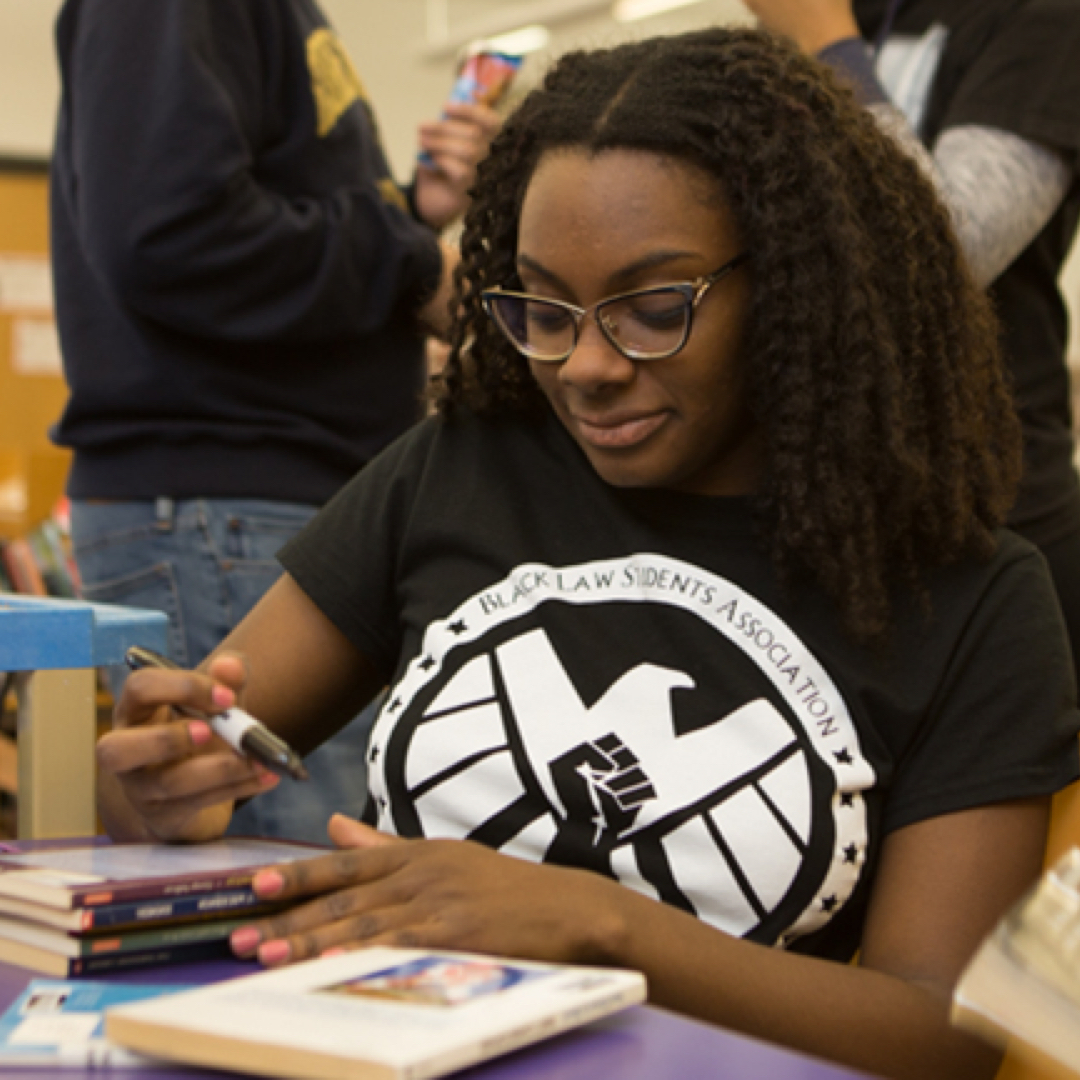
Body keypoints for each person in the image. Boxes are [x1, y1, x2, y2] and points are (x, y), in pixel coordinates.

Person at [96, 28, 1080, 1080]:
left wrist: (602, 925)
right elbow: (191, 762)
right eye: (543, 308)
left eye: (655, 309)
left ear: (798, 288)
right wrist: (160, 786)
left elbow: (942, 1035)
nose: (587, 367)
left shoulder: (975, 596)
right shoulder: (460, 466)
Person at [48, 0, 499, 842]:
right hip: (228, 505)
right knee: (274, 885)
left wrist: (408, 208)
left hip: (252, 509)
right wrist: (408, 261)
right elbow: (172, 234)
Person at [743, 0, 1080, 683]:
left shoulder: (1042, 18)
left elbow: (949, 251)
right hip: (821, 519)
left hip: (997, 512)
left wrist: (825, 41)